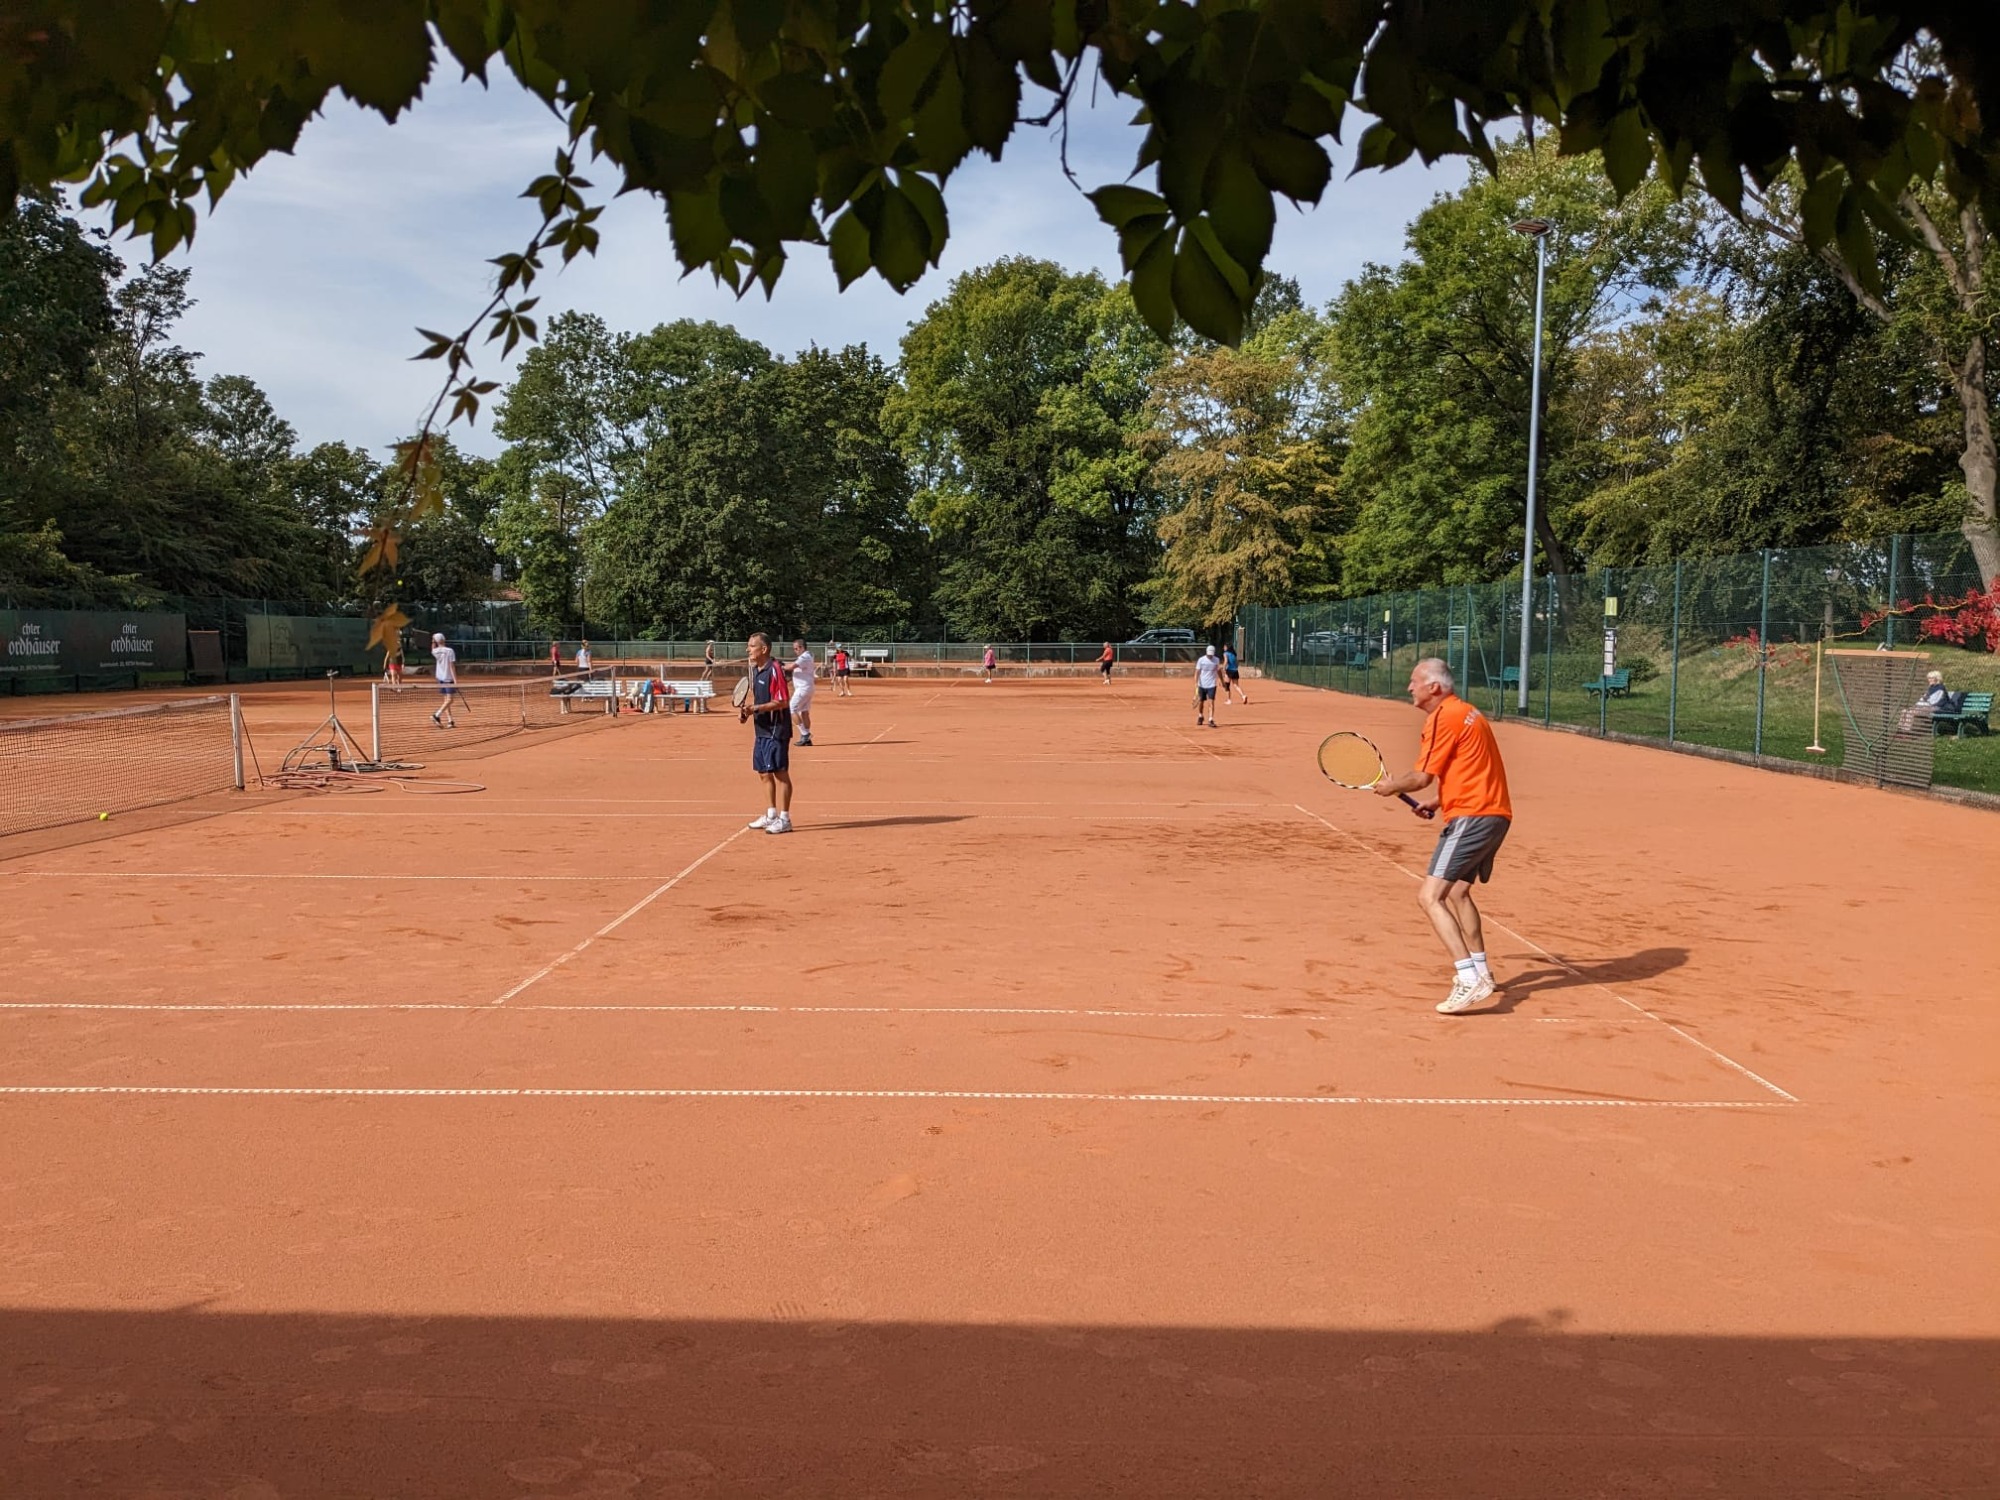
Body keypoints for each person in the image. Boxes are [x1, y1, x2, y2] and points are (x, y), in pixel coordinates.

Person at [1372, 658, 1513, 1015]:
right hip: (1494, 813)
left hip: (1473, 815)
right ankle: (1482, 971)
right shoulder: (1469, 713)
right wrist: (1438, 802)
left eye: (1414, 681)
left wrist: (1391, 786)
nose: (1409, 687)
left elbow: (1421, 777)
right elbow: (1473, 768)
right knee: (1460, 893)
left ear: (1434, 687)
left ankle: (1468, 977)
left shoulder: (1442, 717)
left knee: (1430, 897)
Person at [741, 632, 793, 834]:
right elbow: (759, 701)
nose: (748, 649)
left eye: (752, 646)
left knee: (780, 773)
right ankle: (771, 815)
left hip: (776, 730)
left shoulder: (775, 669)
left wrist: (756, 708)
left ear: (764, 649)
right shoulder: (756, 671)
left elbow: (782, 701)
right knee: (763, 772)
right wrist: (747, 713)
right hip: (761, 730)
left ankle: (785, 819)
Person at [791, 638, 818, 746]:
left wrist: (778, 665)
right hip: (807, 687)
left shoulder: (804, 657)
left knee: (791, 709)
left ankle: (805, 734)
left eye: (796, 648)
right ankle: (807, 740)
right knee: (804, 712)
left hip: (803, 688)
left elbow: (791, 666)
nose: (795, 651)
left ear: (802, 647)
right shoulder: (807, 656)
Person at [429, 631, 459, 728]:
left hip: (440, 678)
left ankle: (450, 721)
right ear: (443, 639)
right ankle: (436, 715)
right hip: (448, 678)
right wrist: (455, 680)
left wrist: (433, 640)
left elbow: (433, 647)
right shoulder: (450, 651)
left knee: (446, 700)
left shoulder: (434, 651)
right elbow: (452, 666)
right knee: (450, 700)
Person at [1193, 644, 1222, 727]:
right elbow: (1197, 672)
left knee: (1211, 702)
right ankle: (1200, 716)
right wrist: (1196, 683)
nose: (1210, 656)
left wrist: (1221, 680)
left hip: (1212, 684)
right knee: (1201, 702)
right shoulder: (1201, 660)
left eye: (1211, 654)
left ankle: (1210, 719)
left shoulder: (1216, 660)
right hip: (1202, 684)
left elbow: (1218, 671)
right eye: (1209, 654)